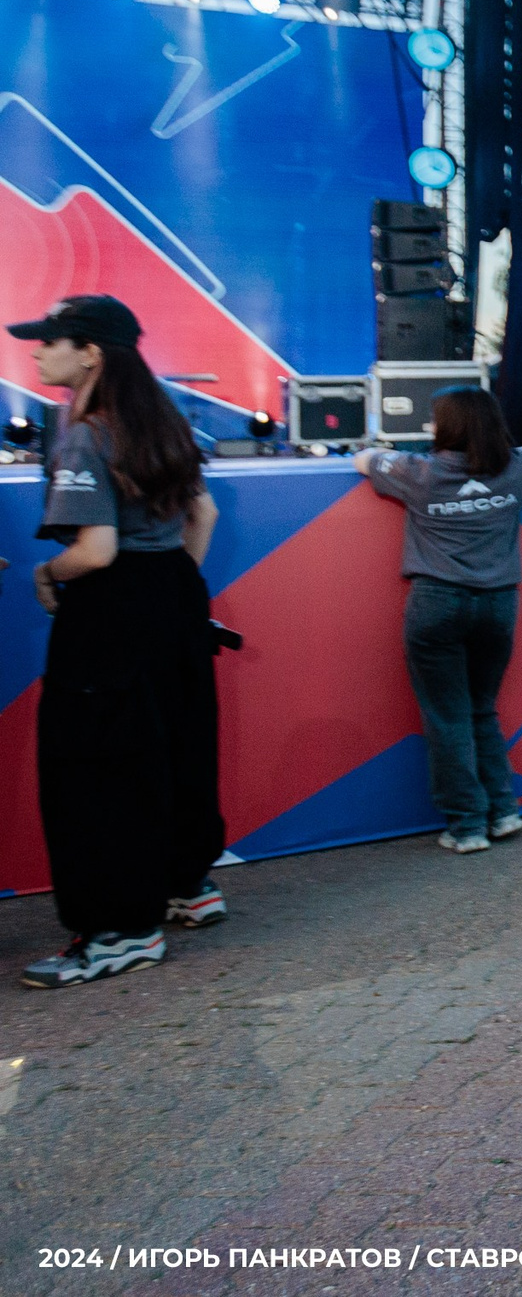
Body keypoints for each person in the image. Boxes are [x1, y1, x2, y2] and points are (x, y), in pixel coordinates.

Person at [10, 296, 225, 989]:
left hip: (112, 611)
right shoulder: (162, 420)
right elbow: (204, 513)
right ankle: (188, 886)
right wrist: (169, 589)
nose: (38, 352)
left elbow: (96, 550)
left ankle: (118, 933)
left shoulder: (85, 434)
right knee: (176, 746)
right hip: (173, 597)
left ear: (91, 352)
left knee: (96, 769)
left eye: (50, 341)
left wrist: (49, 571)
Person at [357, 389, 522, 851]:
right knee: (480, 708)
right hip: (498, 606)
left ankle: (468, 825)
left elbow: (365, 458)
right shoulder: (516, 469)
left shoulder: (419, 474)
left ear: (445, 426)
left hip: (436, 604)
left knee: (448, 716)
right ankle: (503, 810)